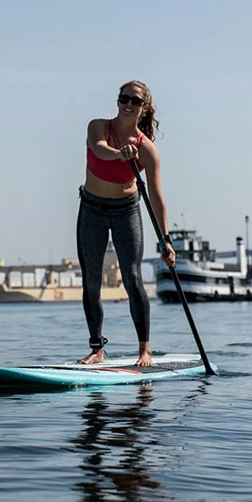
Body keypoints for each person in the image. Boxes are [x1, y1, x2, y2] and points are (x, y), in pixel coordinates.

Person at [77, 80, 175, 367]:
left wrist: (166, 239)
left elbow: (156, 197)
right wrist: (120, 154)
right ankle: (97, 349)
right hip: (91, 208)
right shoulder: (98, 127)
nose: (128, 104)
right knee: (91, 281)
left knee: (132, 278)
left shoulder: (148, 150)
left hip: (126, 211)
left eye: (134, 100)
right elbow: (99, 149)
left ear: (144, 108)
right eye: (123, 99)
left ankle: (144, 350)